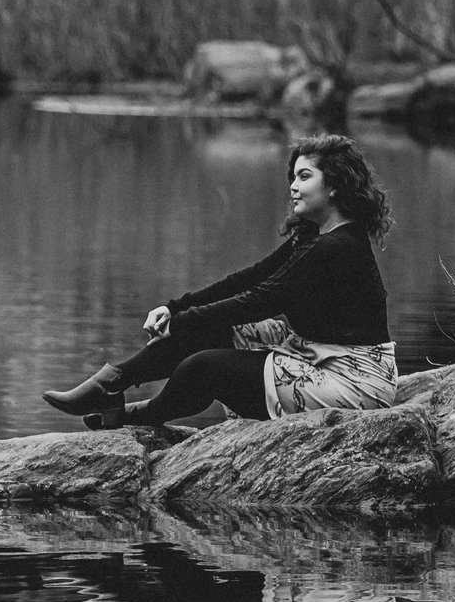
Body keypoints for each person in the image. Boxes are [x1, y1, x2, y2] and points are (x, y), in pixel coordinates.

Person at [41, 133, 396, 429]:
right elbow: (249, 279)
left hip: (352, 380)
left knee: (204, 366)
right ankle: (111, 384)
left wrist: (182, 321)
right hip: (314, 353)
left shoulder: (337, 246)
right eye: (293, 177)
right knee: (203, 332)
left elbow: (262, 299)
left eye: (304, 177)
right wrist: (175, 308)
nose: (292, 186)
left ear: (334, 186)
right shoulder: (314, 239)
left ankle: (134, 416)